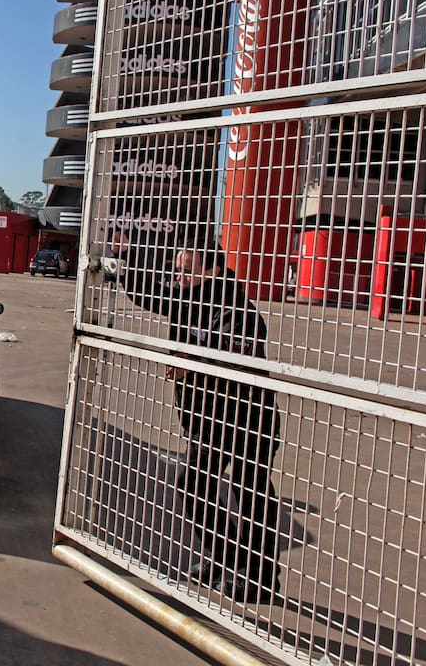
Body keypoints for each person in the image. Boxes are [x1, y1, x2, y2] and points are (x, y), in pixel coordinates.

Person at [116, 238, 282, 603]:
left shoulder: (239, 310)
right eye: (178, 269)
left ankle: (263, 577)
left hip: (246, 420)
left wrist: (189, 365)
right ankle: (224, 558)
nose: (178, 277)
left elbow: (230, 358)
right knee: (194, 487)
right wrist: (128, 256)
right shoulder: (187, 300)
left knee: (249, 492)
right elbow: (148, 295)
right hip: (207, 420)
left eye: (186, 271)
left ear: (213, 271)